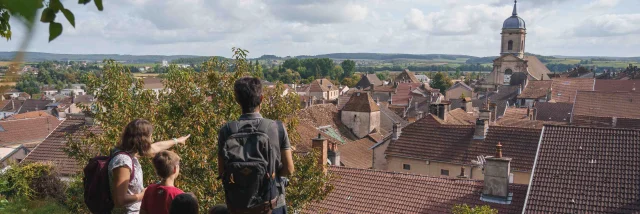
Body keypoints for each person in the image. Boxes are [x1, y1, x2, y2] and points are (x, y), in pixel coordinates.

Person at [217, 77, 294, 214]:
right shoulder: (277, 128)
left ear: (237, 101)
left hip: (239, 205)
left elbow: (222, 171)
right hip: (271, 204)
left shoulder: (227, 131)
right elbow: (289, 169)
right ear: (262, 98)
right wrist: (272, 173)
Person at [109, 118, 190, 214]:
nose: (151, 140)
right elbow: (119, 200)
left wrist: (177, 140)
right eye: (150, 137)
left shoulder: (129, 154)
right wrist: (143, 194)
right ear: (143, 139)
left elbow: (156, 147)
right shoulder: (123, 161)